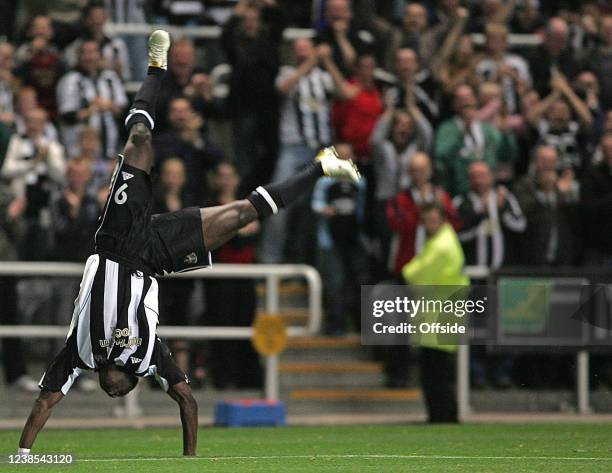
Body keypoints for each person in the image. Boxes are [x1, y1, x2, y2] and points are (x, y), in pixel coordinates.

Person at [17, 30, 360, 457]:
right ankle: (321, 165)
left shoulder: (81, 352)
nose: (113, 393)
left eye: (113, 391)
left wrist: (24, 453)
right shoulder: (145, 356)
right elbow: (186, 399)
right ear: (131, 378)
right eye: (119, 393)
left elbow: (45, 401)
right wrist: (190, 460)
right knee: (240, 215)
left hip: (116, 240)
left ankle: (155, 68)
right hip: (155, 256)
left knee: (139, 141)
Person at [401, 202, 468, 423]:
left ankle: (442, 416)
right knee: (437, 370)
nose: (429, 225)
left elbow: (417, 273)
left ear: (441, 220)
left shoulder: (441, 246)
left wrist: (409, 269)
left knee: (435, 371)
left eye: (433, 220)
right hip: (438, 312)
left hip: (439, 312)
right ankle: (442, 415)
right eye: (427, 220)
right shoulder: (443, 241)